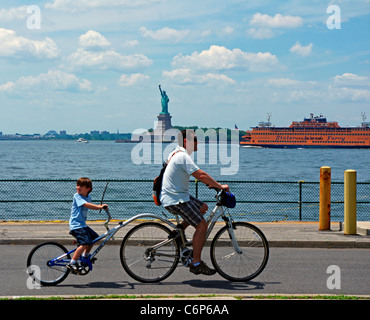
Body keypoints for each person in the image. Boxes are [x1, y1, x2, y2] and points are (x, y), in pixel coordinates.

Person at [161, 129, 229, 275]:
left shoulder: (174, 153)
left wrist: (210, 183)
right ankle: (196, 263)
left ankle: (179, 231)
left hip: (175, 195)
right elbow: (201, 174)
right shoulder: (183, 156)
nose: (199, 142)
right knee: (202, 226)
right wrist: (219, 186)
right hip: (176, 199)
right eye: (196, 139)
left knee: (203, 207)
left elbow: (197, 176)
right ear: (186, 141)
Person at [67, 177, 108, 274]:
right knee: (85, 243)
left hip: (82, 225)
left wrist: (100, 206)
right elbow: (86, 205)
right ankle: (72, 262)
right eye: (77, 185)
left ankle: (85, 256)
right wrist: (99, 207)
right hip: (76, 225)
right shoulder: (77, 196)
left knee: (94, 238)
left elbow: (89, 203)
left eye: (81, 186)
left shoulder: (88, 197)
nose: (78, 187)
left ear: (88, 189)